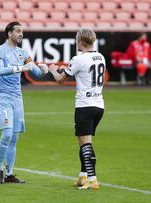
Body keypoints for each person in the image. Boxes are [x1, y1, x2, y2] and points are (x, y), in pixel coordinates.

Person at [48, 28, 105, 190]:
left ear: (80, 41)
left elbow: (60, 80)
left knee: (85, 144)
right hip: (99, 104)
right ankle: (83, 176)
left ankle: (92, 179)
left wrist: (53, 69)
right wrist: (63, 69)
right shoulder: (100, 57)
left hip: (84, 106)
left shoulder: (78, 59)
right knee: (84, 142)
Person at [0, 21, 48, 184]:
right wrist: (21, 68)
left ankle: (9, 174)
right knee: (7, 134)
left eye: (22, 32)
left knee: (14, 138)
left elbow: (36, 72)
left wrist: (43, 70)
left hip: (17, 98)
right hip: (3, 97)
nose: (21, 34)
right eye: (18, 31)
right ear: (9, 33)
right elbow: (0, 71)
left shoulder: (23, 53)